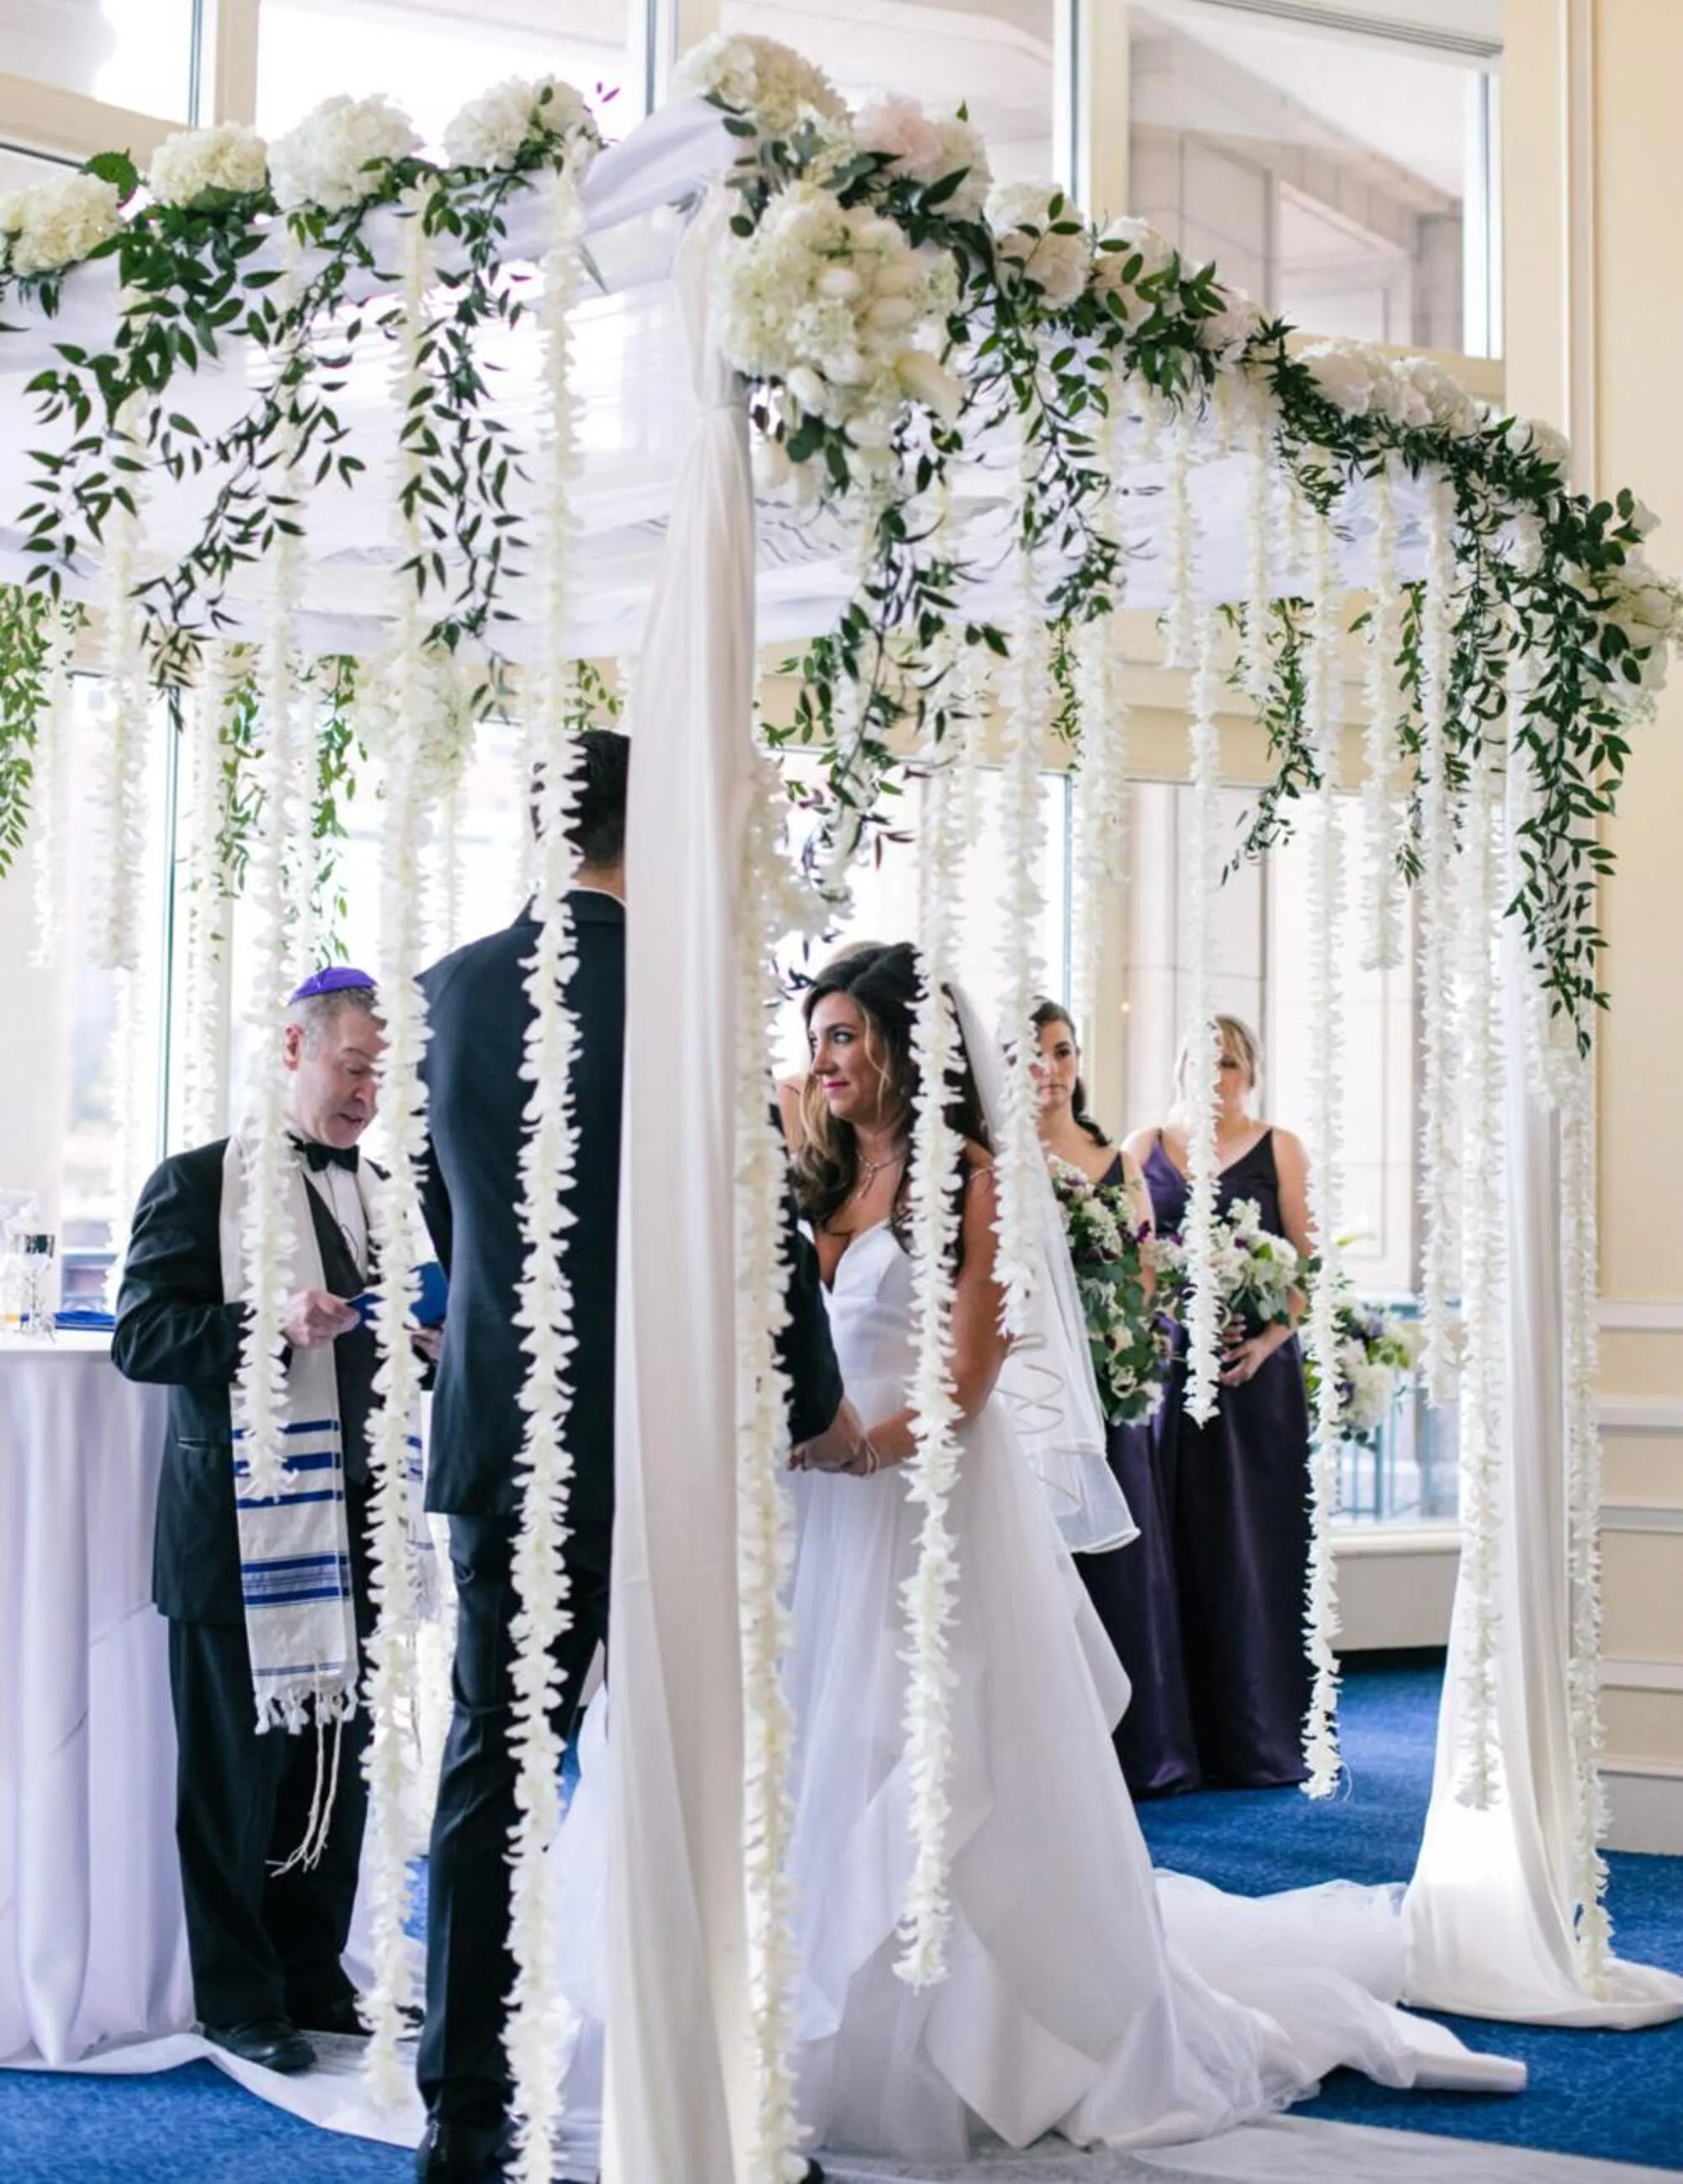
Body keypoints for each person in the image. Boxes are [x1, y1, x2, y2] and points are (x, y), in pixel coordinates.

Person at [541, 940, 1520, 2162]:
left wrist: (859, 1448)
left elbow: (969, 1379)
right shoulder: (810, 1166)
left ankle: (960, 2039)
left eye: (846, 1036)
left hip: (921, 1511)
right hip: (803, 1521)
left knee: (926, 1759)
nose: (823, 1060)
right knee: (794, 1762)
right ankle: (768, 2019)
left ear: (906, 1047)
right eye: (816, 1039)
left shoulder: (979, 1185)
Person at [413, 731, 863, 2184]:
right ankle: (716, 2102)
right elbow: (755, 1226)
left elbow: (448, 1217)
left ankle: (462, 2109)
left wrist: (503, 1327)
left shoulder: (451, 999)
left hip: (504, 1428)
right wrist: (812, 1400)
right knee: (695, 1771)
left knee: (496, 1757)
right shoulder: (683, 997)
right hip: (663, 1441)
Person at [113, 968, 390, 2076]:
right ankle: (239, 1997)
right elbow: (144, 1337)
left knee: (339, 1765)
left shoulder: (384, 1195)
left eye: (382, 1072)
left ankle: (316, 1972)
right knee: (237, 1780)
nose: (368, 1092)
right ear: (292, 1051)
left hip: (355, 1526)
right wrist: (266, 1322)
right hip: (237, 1536)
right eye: (353, 1064)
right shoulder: (196, 1185)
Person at [1123, 1014, 1315, 1788]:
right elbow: (1128, 1259)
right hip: (1169, 1379)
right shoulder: (1145, 1148)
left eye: (1229, 1063)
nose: (1214, 1077)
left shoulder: (1281, 1148)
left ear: (1251, 1072)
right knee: (1173, 1549)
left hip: (1254, 1382)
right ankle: (1175, 1742)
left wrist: (1268, 1342)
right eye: (1199, 1062)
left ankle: (1256, 1737)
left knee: (1249, 1549)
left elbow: (1309, 1262)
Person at [1032, 998, 1200, 1799]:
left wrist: (1123, 1352)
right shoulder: (993, 1156)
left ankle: (1139, 1747)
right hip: (1031, 1387)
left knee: (1121, 1564)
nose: (1052, 1072)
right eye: (1034, 1057)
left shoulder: (1111, 1159)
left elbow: (1142, 1274)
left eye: (1063, 1053)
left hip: (1107, 1379)